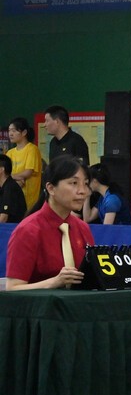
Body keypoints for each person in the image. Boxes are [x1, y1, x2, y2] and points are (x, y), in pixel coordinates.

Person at [4, 156, 93, 290]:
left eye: (86, 184)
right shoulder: (28, 230)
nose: (82, 191)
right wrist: (54, 282)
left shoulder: (82, 228)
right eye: (74, 183)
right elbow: (12, 288)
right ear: (51, 188)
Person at [6, 117, 42, 209]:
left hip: (29, 202)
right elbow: (5, 174)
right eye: (9, 130)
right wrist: (17, 179)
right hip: (13, 200)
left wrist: (11, 177)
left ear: (24, 132)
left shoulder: (32, 149)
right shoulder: (10, 153)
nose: (10, 134)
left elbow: (28, 172)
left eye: (14, 130)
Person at [0, 154, 27, 223]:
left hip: (12, 228)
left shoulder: (10, 188)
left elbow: (3, 218)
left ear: (1, 169)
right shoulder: (3, 186)